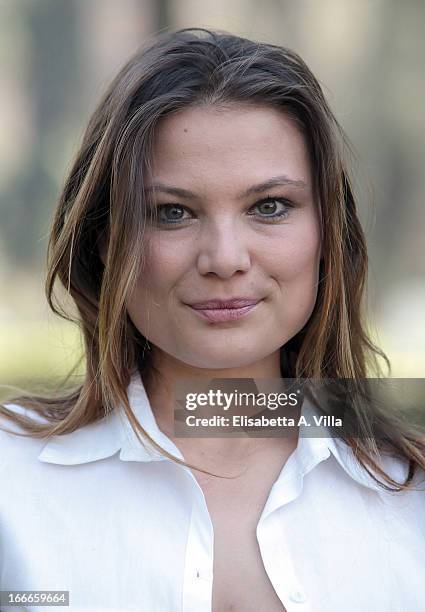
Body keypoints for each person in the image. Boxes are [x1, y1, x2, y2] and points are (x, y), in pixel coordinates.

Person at [1, 27, 424, 612]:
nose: (225, 259)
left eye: (269, 207)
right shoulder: (10, 487)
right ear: (106, 241)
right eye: (173, 213)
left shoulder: (412, 501)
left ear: (328, 231)